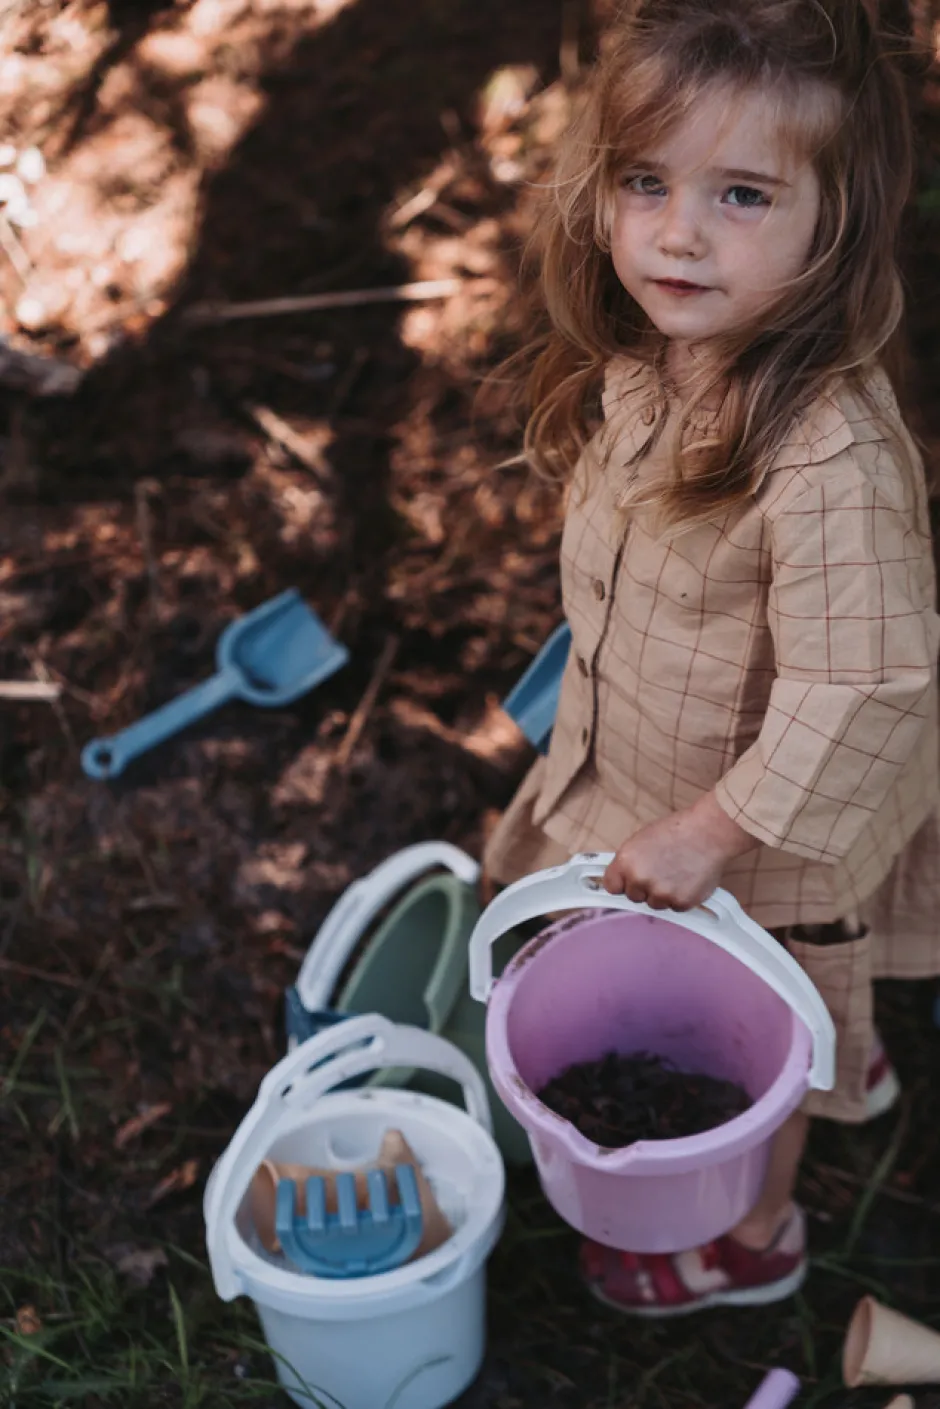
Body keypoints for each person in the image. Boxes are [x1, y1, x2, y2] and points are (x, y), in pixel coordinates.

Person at [484, 0, 940, 1315]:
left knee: (761, 1029)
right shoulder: (662, 357)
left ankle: (752, 1233)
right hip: (647, 767)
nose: (678, 232)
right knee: (743, 987)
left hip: (757, 834)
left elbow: (867, 681)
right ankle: (847, 1052)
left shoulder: (828, 455)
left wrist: (710, 831)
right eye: (647, 182)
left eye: (742, 194)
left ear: (836, 220)